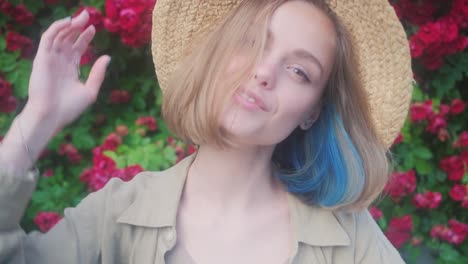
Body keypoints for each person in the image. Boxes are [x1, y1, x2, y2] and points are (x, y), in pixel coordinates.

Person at [0, 0, 413, 263]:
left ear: (311, 113)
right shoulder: (115, 216)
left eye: (300, 71)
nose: (264, 72)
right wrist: (38, 119)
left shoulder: (351, 241)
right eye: (252, 42)